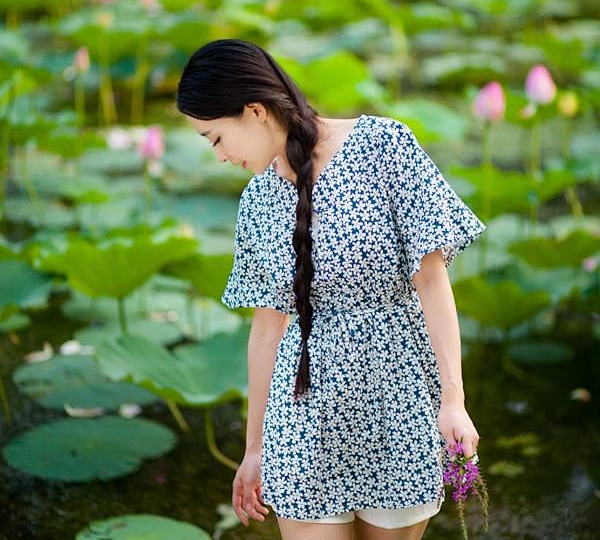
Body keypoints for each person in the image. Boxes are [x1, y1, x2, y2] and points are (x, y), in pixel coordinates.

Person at [177, 38, 486, 540]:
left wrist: (453, 399)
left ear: (254, 111)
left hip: (399, 403)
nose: (219, 156)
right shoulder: (257, 200)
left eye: (215, 138)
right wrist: (254, 449)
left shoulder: (386, 146)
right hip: (302, 419)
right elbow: (266, 333)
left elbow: (432, 283)